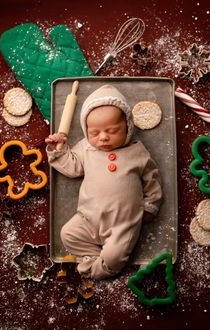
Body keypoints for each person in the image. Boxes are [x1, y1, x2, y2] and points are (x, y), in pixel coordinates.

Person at [45, 84, 162, 280]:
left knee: (115, 255)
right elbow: (72, 167)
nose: (103, 137)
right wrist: (59, 149)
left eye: (112, 130)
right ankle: (92, 256)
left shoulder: (137, 151)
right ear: (86, 131)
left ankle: (99, 270)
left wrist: (151, 204)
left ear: (127, 127)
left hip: (123, 224)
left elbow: (152, 178)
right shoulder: (86, 149)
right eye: (95, 133)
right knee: (67, 234)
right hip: (88, 219)